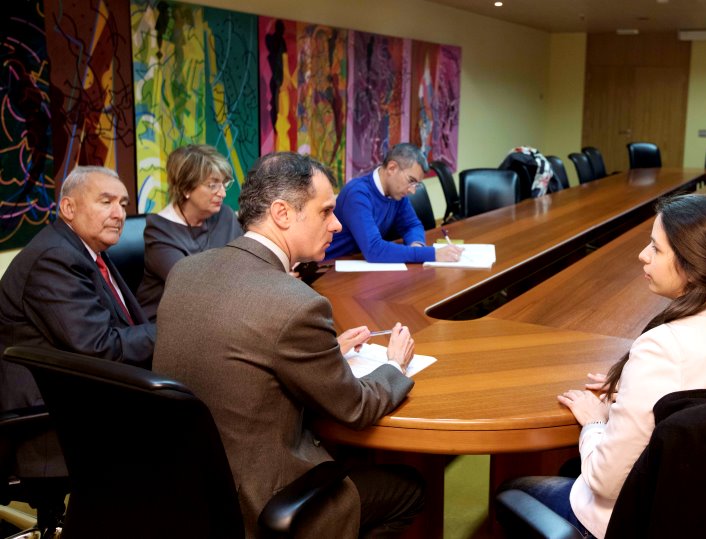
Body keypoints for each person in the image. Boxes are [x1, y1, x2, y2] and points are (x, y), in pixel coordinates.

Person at [152, 152, 424, 538]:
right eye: (326, 211)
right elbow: (356, 408)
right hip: (261, 506)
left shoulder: (186, 271)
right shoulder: (297, 304)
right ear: (282, 214)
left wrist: (329, 351)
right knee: (409, 489)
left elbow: (246, 347)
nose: (337, 223)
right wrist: (394, 365)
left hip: (187, 494)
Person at [499, 194, 706, 538]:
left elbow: (605, 482)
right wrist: (640, 391)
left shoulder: (661, 347)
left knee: (514, 488)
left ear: (692, 262)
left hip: (642, 519)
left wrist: (595, 420)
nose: (643, 255)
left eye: (655, 248)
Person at [0, 165, 155, 476]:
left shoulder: (89, 251)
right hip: (49, 424)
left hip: (83, 400)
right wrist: (172, 331)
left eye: (123, 204)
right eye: (106, 201)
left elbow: (123, 330)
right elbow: (99, 347)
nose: (119, 214)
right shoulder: (54, 258)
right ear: (68, 207)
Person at [137, 144, 242, 321]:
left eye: (224, 184)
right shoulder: (159, 230)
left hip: (217, 317)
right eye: (213, 185)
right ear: (186, 189)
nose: (223, 193)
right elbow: (192, 286)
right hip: (167, 325)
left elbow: (247, 260)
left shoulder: (224, 215)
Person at [324, 143, 463, 263]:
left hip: (361, 264)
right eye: (411, 181)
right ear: (392, 168)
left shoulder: (396, 195)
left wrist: (417, 245)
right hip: (331, 267)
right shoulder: (357, 194)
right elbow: (373, 249)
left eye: (417, 184)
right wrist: (432, 254)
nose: (413, 190)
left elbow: (412, 225)